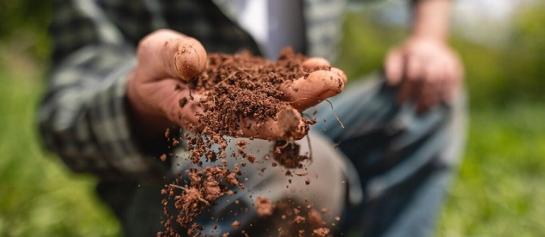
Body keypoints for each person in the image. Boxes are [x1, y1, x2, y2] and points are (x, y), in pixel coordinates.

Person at [38, 0, 466, 236]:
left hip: (305, 122)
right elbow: (63, 113)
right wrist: (141, 99)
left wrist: (428, 39)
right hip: (176, 166)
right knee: (304, 166)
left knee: (426, 99)